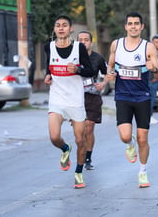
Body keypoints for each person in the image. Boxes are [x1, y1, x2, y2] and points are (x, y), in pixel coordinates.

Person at [106, 12, 158, 188]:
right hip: (123, 96)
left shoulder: (148, 48)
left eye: (136, 24)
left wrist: (153, 68)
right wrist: (109, 75)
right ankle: (129, 144)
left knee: (143, 138)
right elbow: (110, 67)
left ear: (142, 27)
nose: (133, 26)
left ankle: (142, 172)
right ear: (125, 26)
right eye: (130, 23)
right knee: (125, 136)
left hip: (142, 98)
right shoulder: (116, 45)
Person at [44, 15, 94, 189]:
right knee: (54, 136)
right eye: (58, 25)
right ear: (54, 29)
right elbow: (48, 67)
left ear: (70, 29)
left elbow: (90, 71)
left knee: (81, 140)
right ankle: (65, 149)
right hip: (57, 99)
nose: (61, 28)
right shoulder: (49, 47)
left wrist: (78, 69)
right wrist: (47, 76)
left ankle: (79, 173)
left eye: (64, 25)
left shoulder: (79, 48)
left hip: (75, 101)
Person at [77, 30, 108, 170]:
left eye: (86, 40)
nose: (83, 42)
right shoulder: (73, 58)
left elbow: (109, 73)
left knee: (89, 128)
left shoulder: (98, 58)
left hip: (93, 96)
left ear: (91, 42)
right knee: (80, 132)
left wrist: (103, 84)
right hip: (76, 96)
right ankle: (80, 154)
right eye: (81, 40)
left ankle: (87, 159)